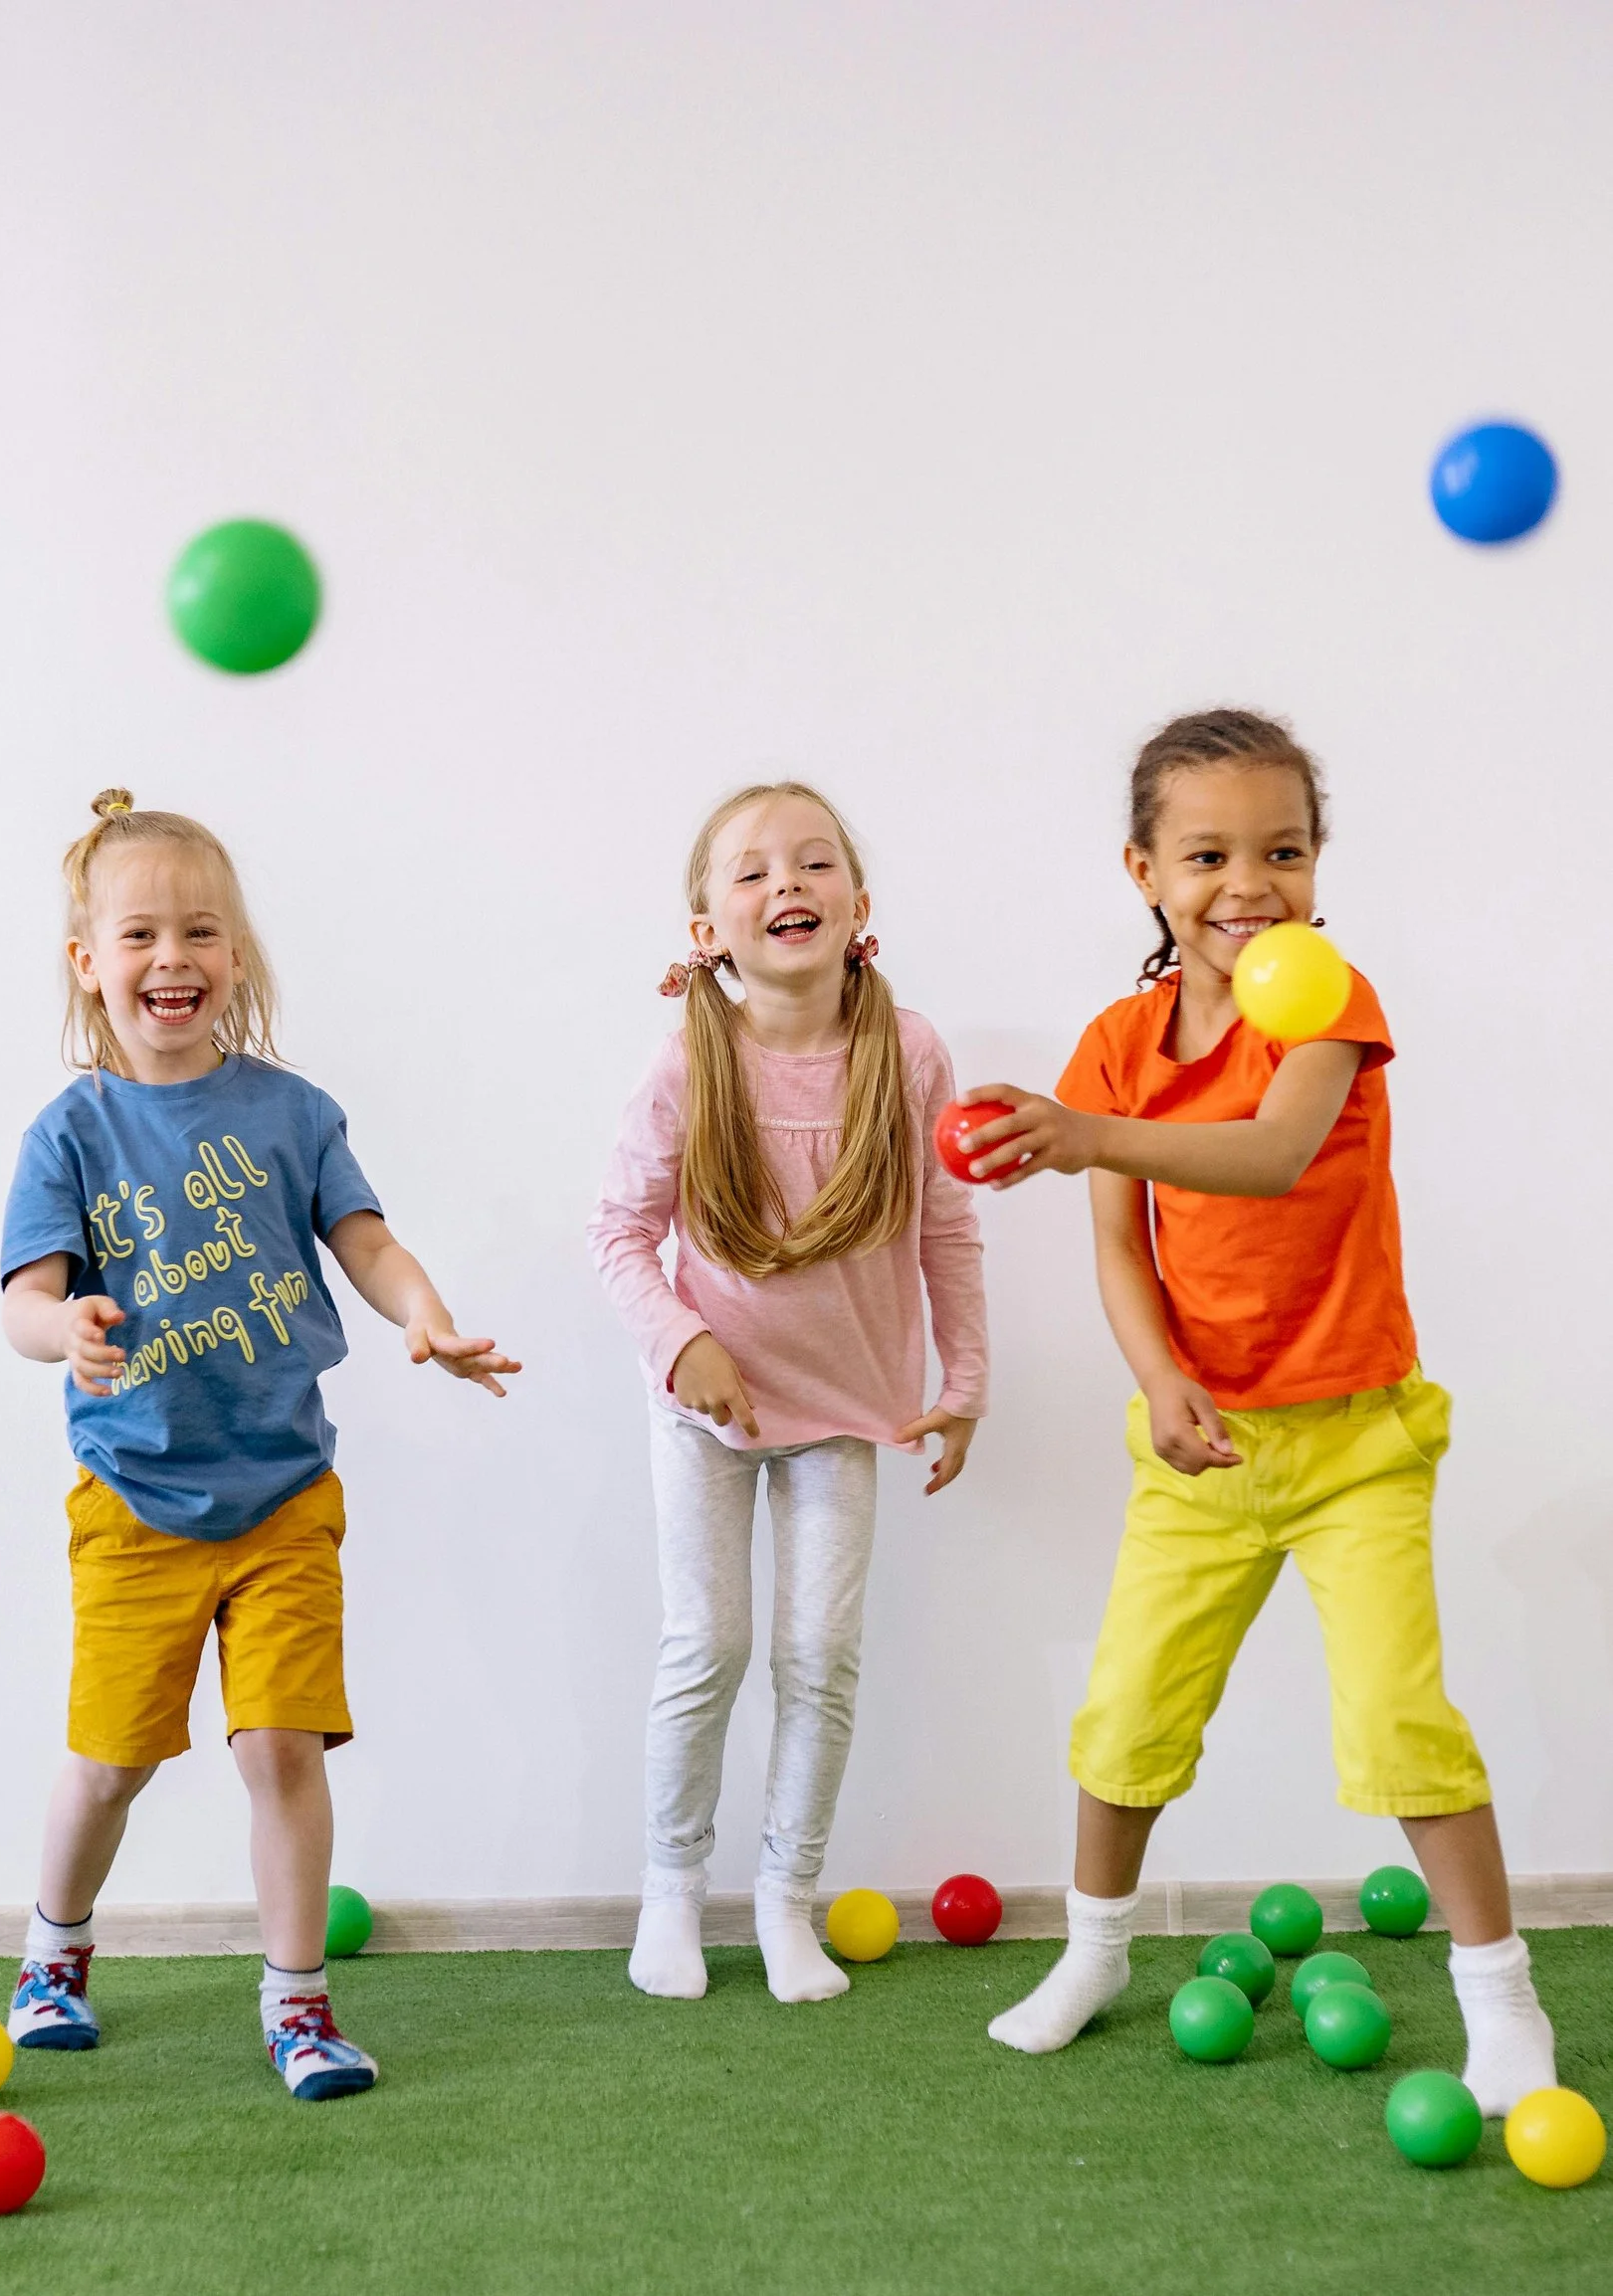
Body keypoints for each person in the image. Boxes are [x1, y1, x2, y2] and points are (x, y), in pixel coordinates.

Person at [957, 708, 1556, 2111]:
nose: (1249, 882)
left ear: (1318, 863)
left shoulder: (1329, 1001)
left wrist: (1084, 1131)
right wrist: (1160, 1383)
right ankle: (1095, 1951)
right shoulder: (1118, 1040)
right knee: (1126, 1717)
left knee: (1404, 1719)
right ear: (1144, 872)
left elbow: (1273, 1156)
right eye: (1209, 852)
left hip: (1357, 1442)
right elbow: (1120, 1248)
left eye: (1283, 850)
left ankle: (1501, 1991)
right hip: (1203, 1446)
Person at [0, 790, 516, 2100]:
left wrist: (426, 1313)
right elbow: (20, 1303)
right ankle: (53, 1954)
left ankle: (298, 2005)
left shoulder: (294, 1113)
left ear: (238, 958)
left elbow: (366, 1242)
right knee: (110, 1764)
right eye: (140, 936)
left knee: (280, 1748)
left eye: (201, 932)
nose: (171, 959)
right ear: (90, 964)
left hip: (287, 1495)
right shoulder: (70, 1132)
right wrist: (67, 1330)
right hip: (135, 1500)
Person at [589, 781, 987, 2003]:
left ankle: (782, 1901)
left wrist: (962, 1380)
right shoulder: (687, 1061)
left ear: (859, 906)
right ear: (705, 927)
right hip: (708, 1405)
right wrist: (680, 1345)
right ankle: (671, 1894)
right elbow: (618, 1231)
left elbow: (948, 1227)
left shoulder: (907, 1051)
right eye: (752, 873)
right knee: (705, 1643)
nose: (787, 885)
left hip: (844, 1406)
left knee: (818, 1654)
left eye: (814, 864)